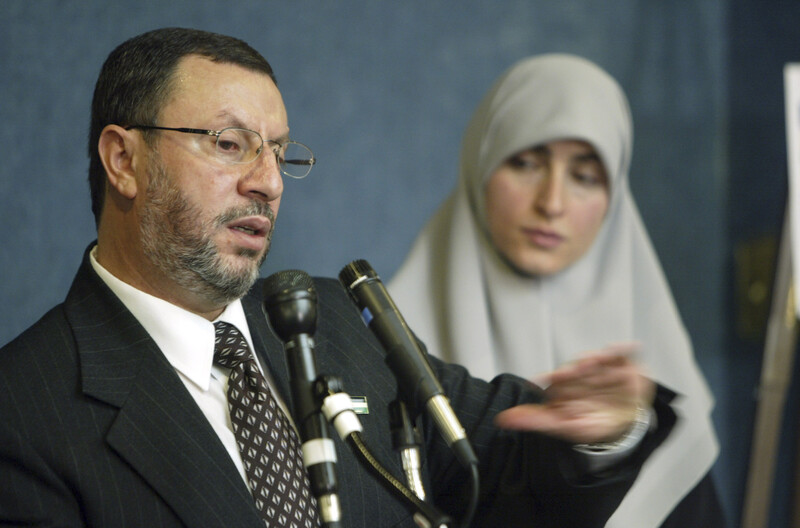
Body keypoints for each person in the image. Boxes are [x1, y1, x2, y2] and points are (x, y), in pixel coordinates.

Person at [0, 30, 675, 528]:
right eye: (228, 144)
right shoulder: (23, 413)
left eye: (280, 152)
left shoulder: (324, 318)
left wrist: (593, 432)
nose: (267, 182)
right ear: (124, 159)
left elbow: (493, 464)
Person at [388, 54, 725, 528]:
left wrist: (614, 441)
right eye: (526, 163)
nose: (552, 203)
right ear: (479, 166)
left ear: (615, 198)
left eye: (585, 176)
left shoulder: (656, 394)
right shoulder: (381, 353)